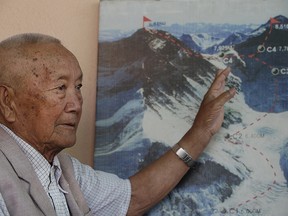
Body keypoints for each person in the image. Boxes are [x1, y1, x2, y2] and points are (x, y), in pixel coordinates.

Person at [0, 33, 236, 216]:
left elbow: (133, 197)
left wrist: (201, 133)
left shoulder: (62, 169)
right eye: (60, 88)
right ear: (7, 102)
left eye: (78, 87)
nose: (76, 104)